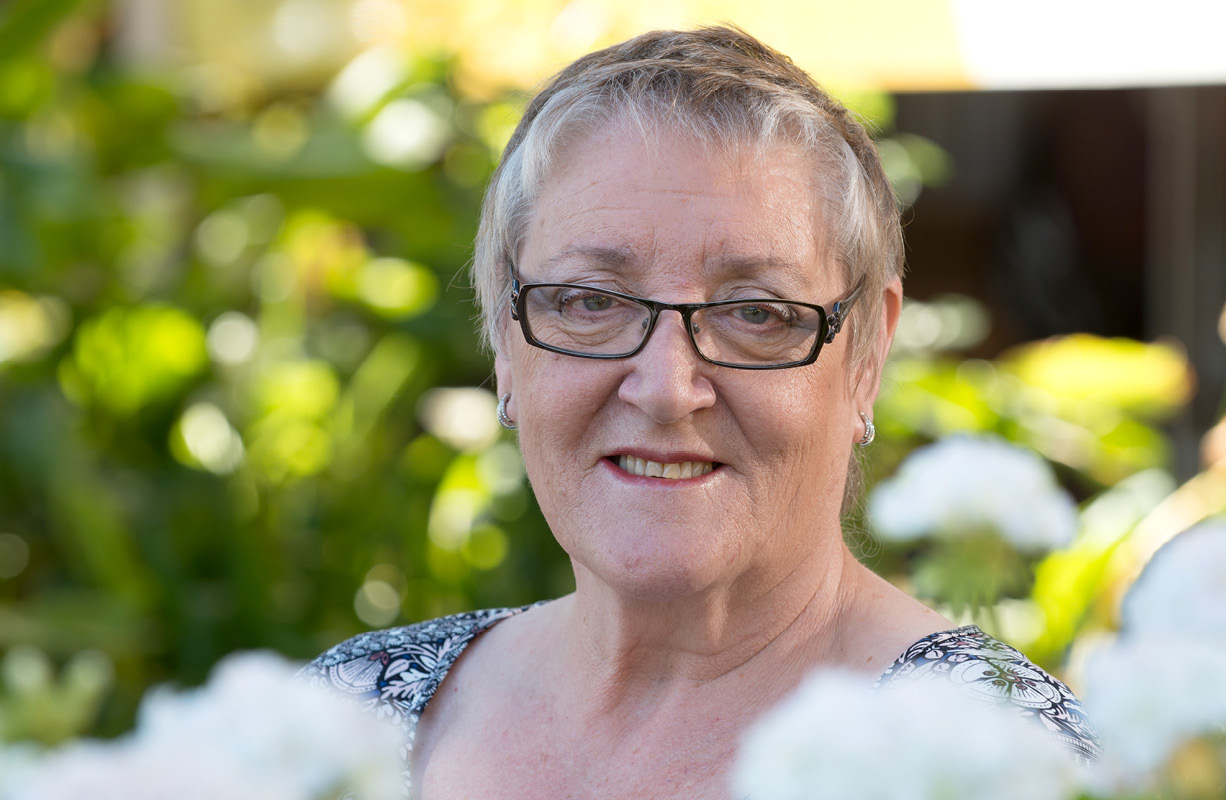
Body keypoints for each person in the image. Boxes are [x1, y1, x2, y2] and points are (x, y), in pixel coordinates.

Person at [300, 25, 1099, 798]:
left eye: (755, 313)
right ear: (507, 344)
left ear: (864, 356)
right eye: (589, 301)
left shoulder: (1017, 768)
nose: (665, 388)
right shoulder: (342, 719)